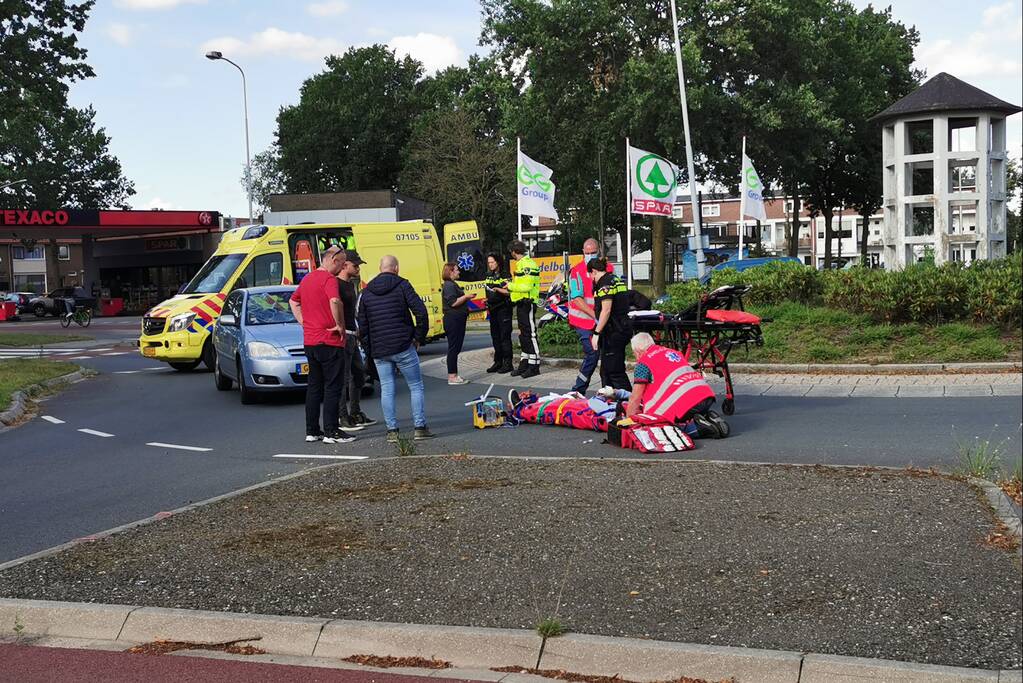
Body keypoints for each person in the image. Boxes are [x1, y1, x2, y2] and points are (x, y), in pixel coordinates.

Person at [357, 255, 434, 442]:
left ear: (380, 268)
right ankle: (419, 427)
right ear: (396, 268)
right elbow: (421, 311)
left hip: (380, 350)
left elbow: (363, 325)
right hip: (403, 345)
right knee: (415, 386)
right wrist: (417, 338)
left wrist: (370, 349)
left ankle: (392, 431)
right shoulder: (402, 285)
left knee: (387, 389)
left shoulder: (366, 292)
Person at [289, 245, 356, 444]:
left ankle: (312, 430)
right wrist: (339, 325)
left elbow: (293, 301)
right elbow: (335, 301)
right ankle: (331, 431)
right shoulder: (329, 280)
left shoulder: (307, 279)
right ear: (333, 260)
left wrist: (303, 321)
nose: (343, 267)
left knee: (314, 387)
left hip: (310, 341)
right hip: (329, 340)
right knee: (333, 387)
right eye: (342, 263)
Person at [626, 332, 728, 438]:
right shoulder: (672, 352)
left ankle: (698, 427)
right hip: (706, 397)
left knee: (665, 430)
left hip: (686, 405)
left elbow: (635, 397)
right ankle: (708, 418)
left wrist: (629, 421)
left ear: (637, 352)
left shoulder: (643, 363)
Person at [336, 250, 377, 432]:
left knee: (359, 374)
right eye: (355, 265)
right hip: (343, 336)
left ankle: (355, 411)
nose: (358, 268)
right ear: (344, 265)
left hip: (353, 334)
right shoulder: (335, 284)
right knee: (342, 378)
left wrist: (357, 328)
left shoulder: (350, 285)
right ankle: (342, 416)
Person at [566, 238, 611, 393]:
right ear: (583, 252)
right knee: (592, 354)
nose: (590, 255)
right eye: (587, 253)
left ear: (599, 251)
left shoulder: (608, 268)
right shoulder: (576, 271)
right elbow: (577, 299)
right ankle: (578, 390)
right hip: (583, 321)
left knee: (607, 356)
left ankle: (607, 390)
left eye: (593, 252)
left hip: (602, 320)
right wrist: (596, 315)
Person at [589, 257, 632, 391]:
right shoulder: (614, 279)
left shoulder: (604, 283)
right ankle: (612, 403)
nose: (591, 278)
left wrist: (597, 332)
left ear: (594, 271)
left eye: (590, 275)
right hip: (621, 327)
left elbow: (606, 310)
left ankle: (629, 403)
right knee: (606, 371)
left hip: (614, 330)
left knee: (614, 371)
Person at [506, 240, 541, 379]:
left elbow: (526, 287)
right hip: (521, 303)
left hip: (528, 303)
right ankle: (525, 363)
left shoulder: (527, 264)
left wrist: (510, 286)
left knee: (530, 334)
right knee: (523, 334)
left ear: (514, 252)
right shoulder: (521, 264)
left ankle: (534, 366)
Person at [441, 262, 475, 385]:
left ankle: (453, 375)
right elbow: (453, 302)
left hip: (457, 319)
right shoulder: (449, 285)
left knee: (455, 347)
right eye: (456, 270)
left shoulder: (451, 284)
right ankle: (452, 376)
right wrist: (466, 297)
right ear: (450, 272)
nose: (459, 272)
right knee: (453, 348)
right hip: (453, 320)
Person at [483, 253, 513, 374]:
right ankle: (498, 361)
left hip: (503, 309)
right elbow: (488, 290)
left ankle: (508, 363)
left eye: (492, 262)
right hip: (492, 309)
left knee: (504, 337)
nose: (490, 265)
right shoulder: (488, 275)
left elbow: (509, 291)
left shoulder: (505, 274)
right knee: (495, 337)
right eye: (489, 262)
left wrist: (498, 289)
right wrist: (487, 300)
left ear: (498, 262)